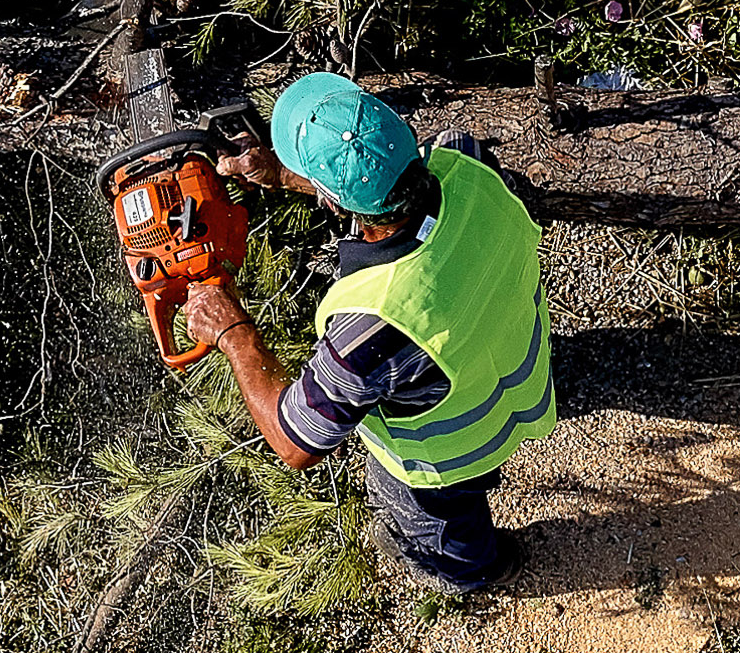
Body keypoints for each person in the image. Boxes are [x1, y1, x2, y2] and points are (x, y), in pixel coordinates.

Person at [211, 71, 558, 593]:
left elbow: (294, 443)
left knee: (431, 515)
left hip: (447, 452)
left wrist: (233, 330)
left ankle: (478, 570)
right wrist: (284, 177)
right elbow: (395, 193)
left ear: (332, 200)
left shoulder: (373, 325)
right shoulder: (468, 161)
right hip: (519, 374)